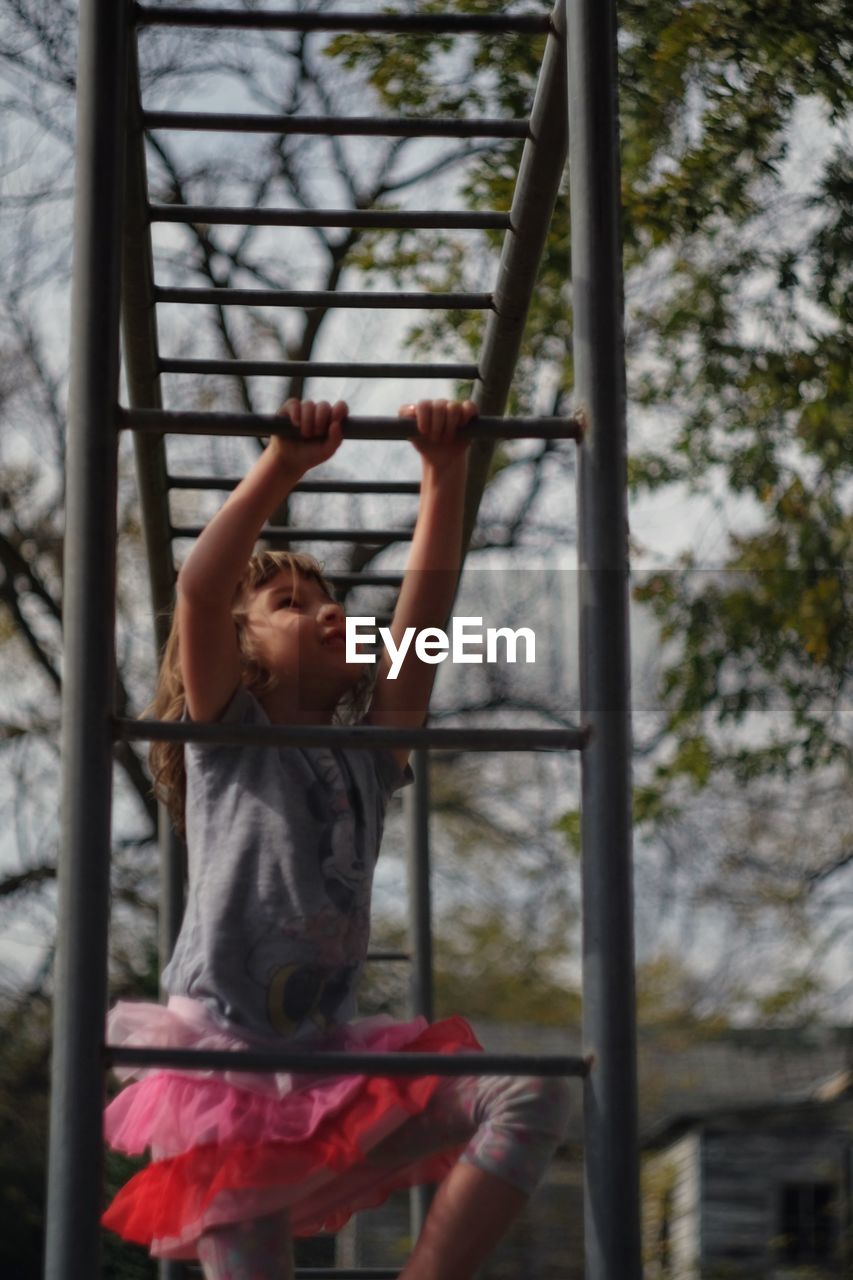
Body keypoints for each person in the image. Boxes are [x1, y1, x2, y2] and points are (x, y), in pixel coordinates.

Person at [102, 397, 571, 1280]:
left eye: (332, 598)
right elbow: (201, 591)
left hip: (331, 1064)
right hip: (230, 1080)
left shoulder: (371, 753)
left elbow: (423, 621)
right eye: (290, 602)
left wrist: (443, 474)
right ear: (245, 654)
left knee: (529, 1092)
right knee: (248, 1251)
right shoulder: (229, 733)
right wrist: (282, 465)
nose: (328, 610)